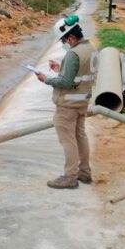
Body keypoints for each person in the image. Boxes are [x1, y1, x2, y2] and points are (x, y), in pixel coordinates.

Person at [35, 15, 97, 189]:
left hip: (67, 106)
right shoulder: (90, 48)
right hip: (82, 102)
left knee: (68, 140)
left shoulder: (73, 53)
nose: (65, 43)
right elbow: (79, 73)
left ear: (71, 37)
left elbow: (65, 82)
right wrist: (60, 68)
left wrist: (45, 79)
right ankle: (84, 172)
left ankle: (70, 177)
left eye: (64, 40)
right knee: (80, 137)